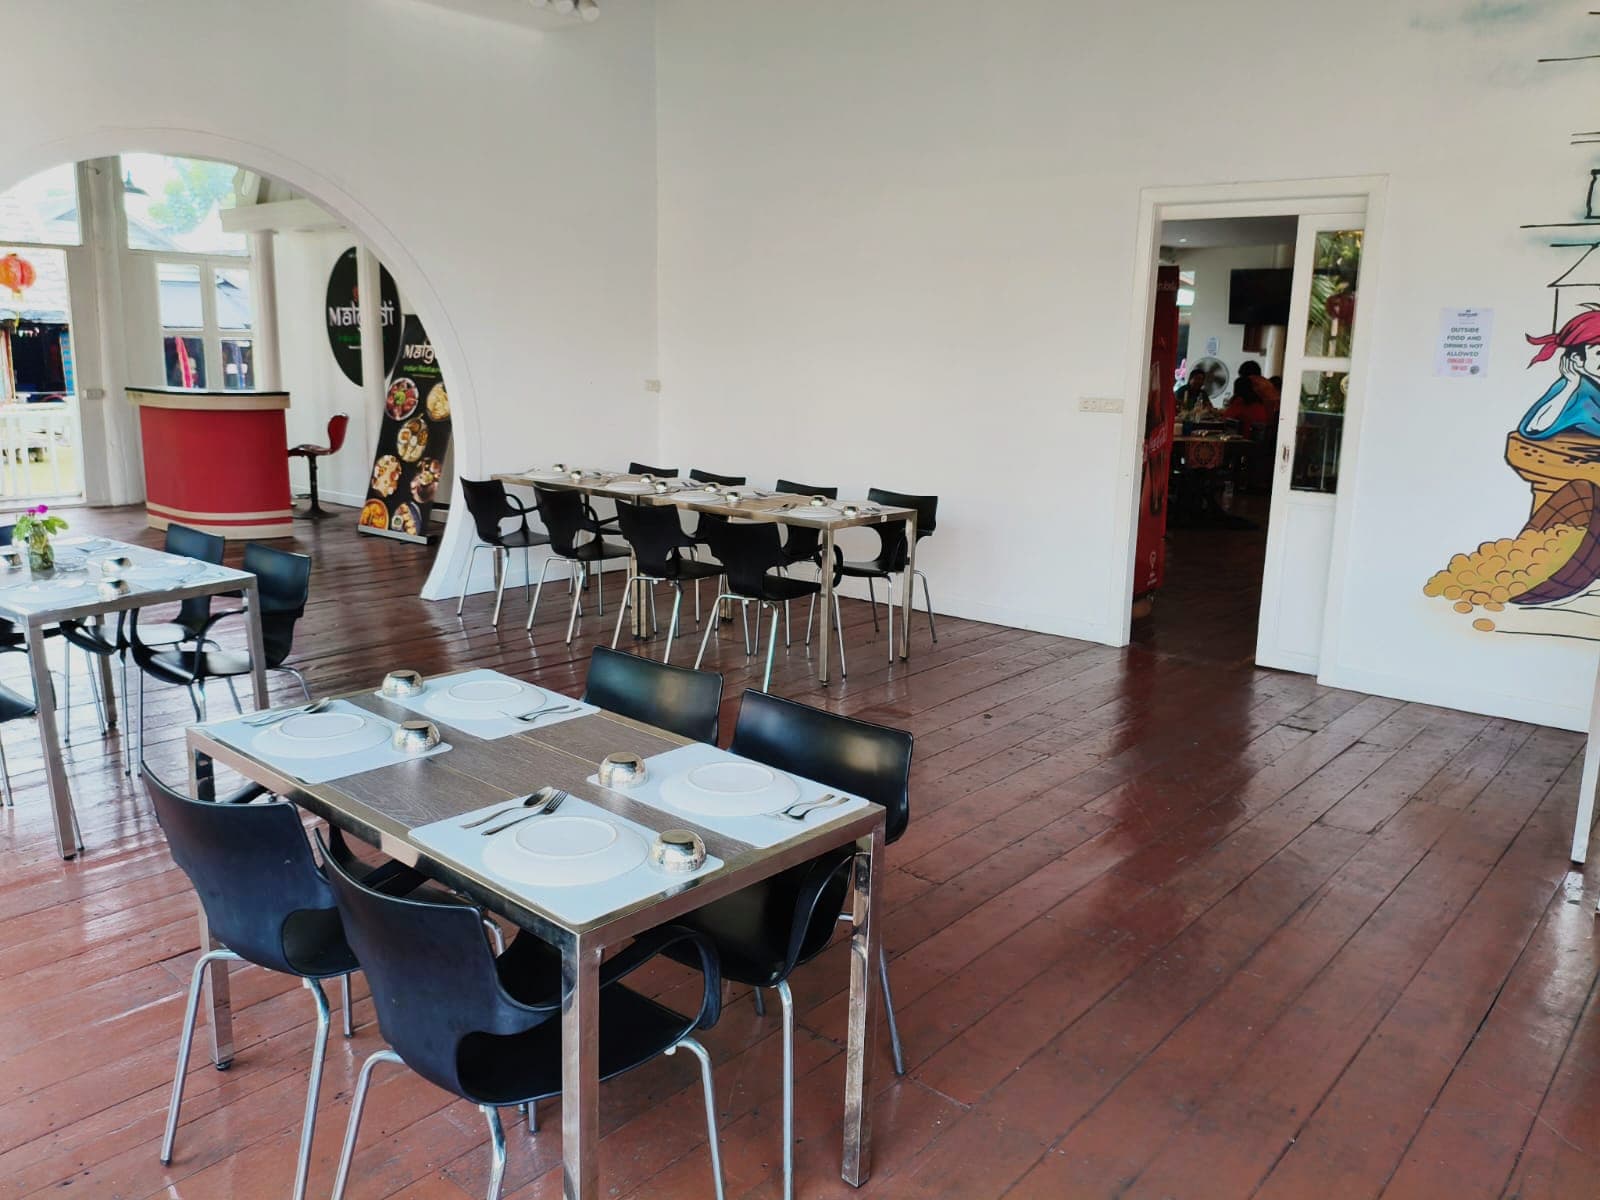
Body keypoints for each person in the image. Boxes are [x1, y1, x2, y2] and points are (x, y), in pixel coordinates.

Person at [1520, 307, 1600, 440]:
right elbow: (1533, 428)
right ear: (1577, 359)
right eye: (1598, 353)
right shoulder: (1575, 391)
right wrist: (1570, 385)